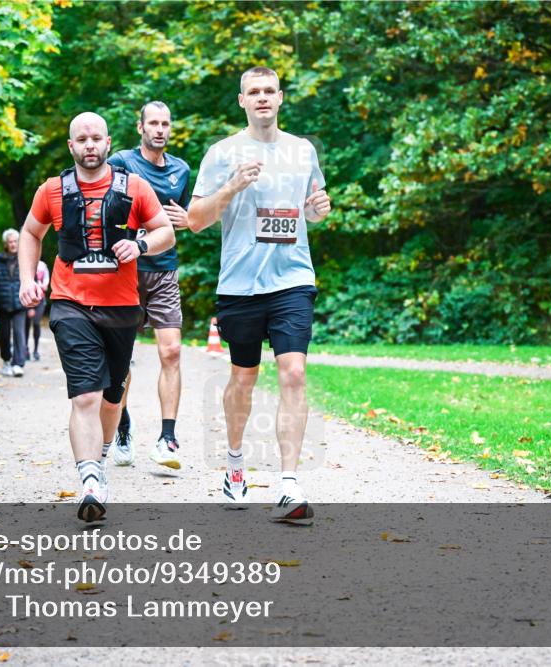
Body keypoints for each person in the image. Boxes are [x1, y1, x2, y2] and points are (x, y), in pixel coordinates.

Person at [187, 67, 331, 522]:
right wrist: (231, 186)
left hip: (292, 280)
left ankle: (289, 483)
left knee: (292, 372)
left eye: (270, 91)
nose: (263, 98)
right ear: (242, 100)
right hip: (240, 284)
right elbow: (194, 220)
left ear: (281, 98)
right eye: (254, 92)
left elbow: (314, 210)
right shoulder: (222, 152)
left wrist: (318, 210)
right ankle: (234, 466)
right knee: (243, 379)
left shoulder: (302, 150)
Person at [18, 111, 174, 522]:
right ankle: (89, 479)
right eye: (81, 139)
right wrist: (28, 279)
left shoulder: (135, 187)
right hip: (70, 303)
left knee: (111, 396)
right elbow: (31, 233)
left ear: (108, 144)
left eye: (96, 138)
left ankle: (100, 457)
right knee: (85, 394)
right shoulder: (51, 191)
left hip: (122, 308)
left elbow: (166, 232)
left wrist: (140, 245)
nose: (89, 145)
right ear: (72, 146)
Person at [107, 101, 191, 471]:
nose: (159, 129)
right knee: (120, 360)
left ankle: (167, 438)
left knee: (171, 352)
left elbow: (184, 220)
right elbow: (102, 203)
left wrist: (188, 220)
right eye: (153, 123)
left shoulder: (181, 170)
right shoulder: (123, 162)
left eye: (165, 123)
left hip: (164, 271)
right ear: (140, 127)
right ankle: (123, 425)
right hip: (124, 272)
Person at [0, 230, 27, 377]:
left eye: (16, 241)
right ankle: (7, 361)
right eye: (10, 242)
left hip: (20, 302)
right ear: (6, 244)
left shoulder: (24, 258)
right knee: (4, 335)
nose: (13, 244)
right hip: (2, 303)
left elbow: (30, 279)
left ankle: (18, 364)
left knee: (19, 333)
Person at [24, 258, 51, 360]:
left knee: (36, 323)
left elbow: (46, 281)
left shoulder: (43, 265)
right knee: (26, 324)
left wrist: (43, 285)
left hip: (40, 299)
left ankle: (35, 350)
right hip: (28, 299)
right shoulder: (26, 263)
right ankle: (25, 348)